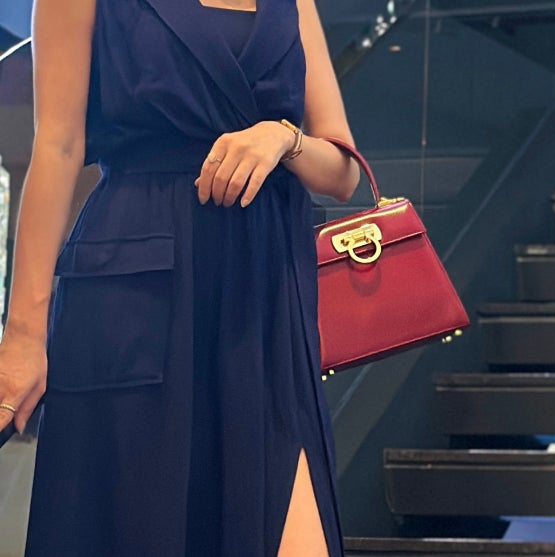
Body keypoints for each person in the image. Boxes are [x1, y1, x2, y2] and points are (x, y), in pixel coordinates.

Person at [0, 0, 359, 554]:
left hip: (265, 302)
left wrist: (282, 138)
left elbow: (343, 172)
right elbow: (58, 146)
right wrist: (23, 336)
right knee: (142, 529)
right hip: (137, 295)